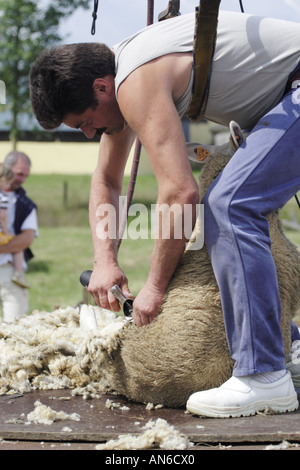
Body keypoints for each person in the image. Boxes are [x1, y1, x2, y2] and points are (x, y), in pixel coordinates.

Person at [29, 9, 300, 418]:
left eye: (85, 123)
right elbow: (107, 179)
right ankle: (288, 344)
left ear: (101, 88)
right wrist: (104, 260)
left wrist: (154, 288)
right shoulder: (119, 74)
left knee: (229, 205)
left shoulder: (133, 82)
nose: (89, 134)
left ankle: (264, 375)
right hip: (287, 97)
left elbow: (178, 192)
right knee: (230, 206)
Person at [0, 151, 38, 323]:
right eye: (19, 174)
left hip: (9, 271)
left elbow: (27, 238)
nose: (22, 180)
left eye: (26, 176)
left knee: (15, 328)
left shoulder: (26, 204)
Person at [0, 162, 30, 289]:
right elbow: (3, 215)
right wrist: (6, 232)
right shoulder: (3, 197)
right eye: (8, 183)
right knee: (18, 246)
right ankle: (18, 273)